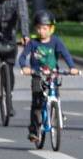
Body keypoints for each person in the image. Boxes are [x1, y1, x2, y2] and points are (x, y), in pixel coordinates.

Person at [17, 11, 78, 143]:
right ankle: (34, 130)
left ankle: (57, 112)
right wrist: (24, 67)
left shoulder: (56, 41)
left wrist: (72, 67)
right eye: (38, 28)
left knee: (55, 94)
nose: (41, 31)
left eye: (45, 28)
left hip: (52, 75)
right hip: (37, 75)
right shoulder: (33, 43)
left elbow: (66, 54)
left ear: (51, 28)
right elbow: (22, 57)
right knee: (37, 103)